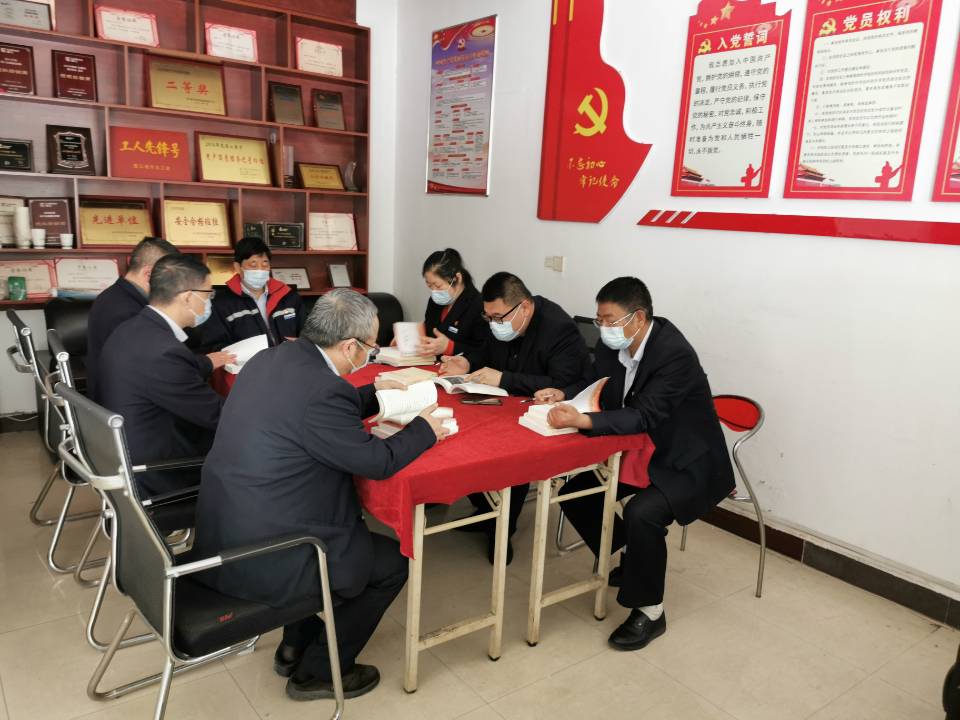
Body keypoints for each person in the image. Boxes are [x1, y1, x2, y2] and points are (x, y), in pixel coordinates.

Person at [193, 289, 448, 702]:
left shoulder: (272, 358)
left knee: (351, 541)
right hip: (272, 548)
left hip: (232, 524)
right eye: (371, 347)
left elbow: (315, 408)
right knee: (390, 565)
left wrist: (377, 395)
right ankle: (319, 672)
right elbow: (376, 461)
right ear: (349, 346)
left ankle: (293, 647)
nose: (371, 354)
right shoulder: (323, 391)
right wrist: (424, 429)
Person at [534, 277, 734, 652]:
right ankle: (635, 555)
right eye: (599, 320)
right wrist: (563, 393)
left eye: (609, 320)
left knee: (643, 512)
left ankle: (650, 611)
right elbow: (594, 380)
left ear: (637, 317)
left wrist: (584, 421)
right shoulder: (616, 344)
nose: (603, 329)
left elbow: (644, 415)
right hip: (639, 448)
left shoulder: (673, 353)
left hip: (685, 459)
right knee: (576, 493)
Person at [440, 271, 589, 564]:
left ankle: (502, 529)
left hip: (545, 413)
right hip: (506, 404)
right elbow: (485, 349)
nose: (494, 324)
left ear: (525, 307)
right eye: (488, 317)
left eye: (498, 317)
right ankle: (488, 510)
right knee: (462, 435)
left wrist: (503, 378)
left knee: (511, 454)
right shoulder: (500, 321)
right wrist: (466, 362)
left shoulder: (558, 329)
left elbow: (562, 385)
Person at [98, 254, 233, 496]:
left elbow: (166, 374)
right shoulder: (165, 353)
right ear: (188, 297)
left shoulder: (131, 329)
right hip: (158, 472)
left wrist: (204, 363)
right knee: (253, 443)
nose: (209, 302)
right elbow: (218, 415)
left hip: (126, 448)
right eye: (208, 295)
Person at [86, 237, 178, 401]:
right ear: (149, 274)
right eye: (170, 279)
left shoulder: (115, 295)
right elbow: (154, 368)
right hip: (122, 403)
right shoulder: (128, 312)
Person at [198, 236, 305, 350]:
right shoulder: (221, 304)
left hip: (289, 358)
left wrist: (302, 344)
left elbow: (307, 333)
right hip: (248, 361)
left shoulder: (288, 296)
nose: (260, 270)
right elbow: (214, 347)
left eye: (265, 264)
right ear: (238, 267)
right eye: (253, 265)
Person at [416, 248, 485, 358]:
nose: (434, 291)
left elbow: (483, 351)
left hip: (460, 367)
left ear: (457, 278)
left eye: (438, 285)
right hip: (432, 363)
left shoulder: (478, 305)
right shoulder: (435, 301)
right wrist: (411, 337)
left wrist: (450, 347)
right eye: (429, 286)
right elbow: (429, 331)